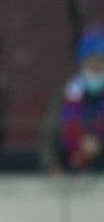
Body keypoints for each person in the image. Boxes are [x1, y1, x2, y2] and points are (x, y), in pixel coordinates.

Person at [41, 28, 104, 174]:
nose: (96, 69)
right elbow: (50, 132)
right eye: (91, 64)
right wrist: (53, 165)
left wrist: (98, 146)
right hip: (69, 170)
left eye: (100, 63)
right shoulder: (67, 92)